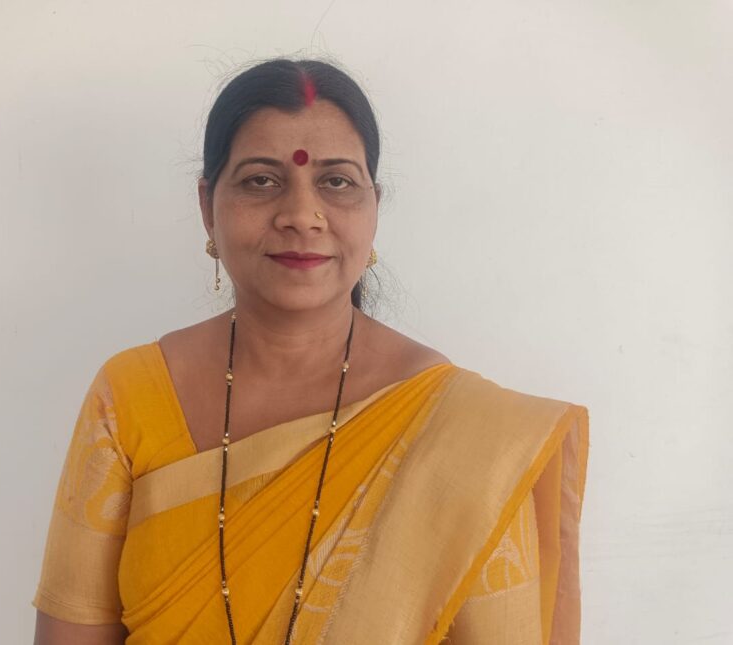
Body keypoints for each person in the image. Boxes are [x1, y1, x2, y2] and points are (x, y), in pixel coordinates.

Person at [32, 58, 589, 645]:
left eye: (337, 182)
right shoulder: (131, 396)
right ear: (206, 206)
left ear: (374, 207)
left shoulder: (460, 433)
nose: (301, 215)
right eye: (261, 180)